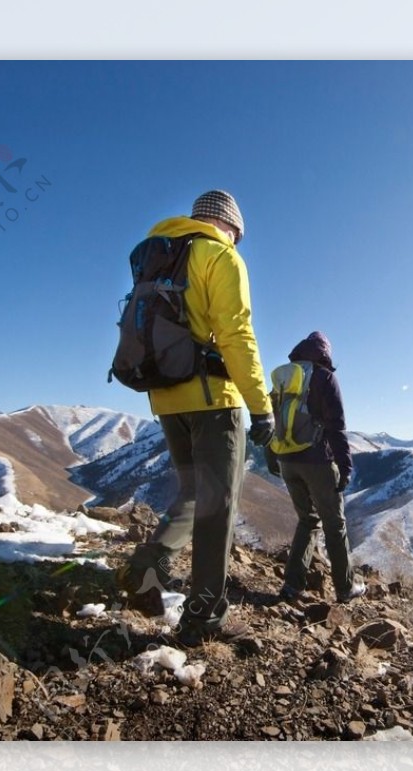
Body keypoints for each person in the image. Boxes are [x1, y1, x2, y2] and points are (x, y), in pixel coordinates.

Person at [121, 189, 274, 645]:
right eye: (237, 235)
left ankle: (150, 561)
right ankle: (203, 617)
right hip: (213, 401)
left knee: (192, 493)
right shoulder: (218, 255)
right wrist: (260, 405)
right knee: (218, 509)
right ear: (229, 226)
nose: (237, 242)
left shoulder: (159, 253)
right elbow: (236, 334)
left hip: (166, 398)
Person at [268, 331, 366, 604]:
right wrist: (345, 465)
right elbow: (336, 425)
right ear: (324, 353)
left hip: (287, 459)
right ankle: (345, 588)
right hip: (317, 462)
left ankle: (292, 586)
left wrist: (271, 456)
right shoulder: (324, 377)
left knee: (308, 520)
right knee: (335, 525)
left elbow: (269, 418)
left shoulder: (283, 377)